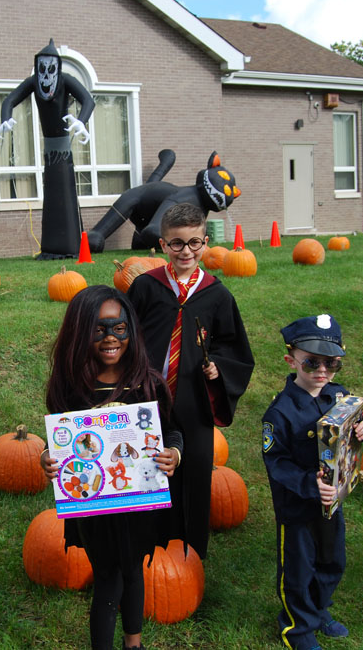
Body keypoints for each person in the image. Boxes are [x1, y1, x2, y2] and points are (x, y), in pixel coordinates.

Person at [40, 285, 181, 650]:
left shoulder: (148, 383)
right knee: (106, 574)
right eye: (98, 329)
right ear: (78, 332)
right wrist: (46, 456)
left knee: (134, 569)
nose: (110, 338)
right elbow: (58, 440)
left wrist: (175, 455)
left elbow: (173, 431)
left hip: (139, 500)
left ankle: (133, 643)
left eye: (119, 328)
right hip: (93, 505)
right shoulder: (70, 387)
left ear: (131, 330)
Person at [127, 202, 254, 559]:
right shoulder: (145, 288)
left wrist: (220, 371)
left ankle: (189, 557)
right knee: (147, 468)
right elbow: (125, 337)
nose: (187, 251)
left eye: (195, 243)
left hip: (195, 401)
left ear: (205, 242)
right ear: (164, 245)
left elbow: (235, 349)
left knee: (193, 478)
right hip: (148, 398)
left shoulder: (217, 295)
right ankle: (144, 553)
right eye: (178, 243)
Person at [261, 314, 363, 650]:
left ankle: (319, 608)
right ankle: (297, 628)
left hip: (332, 502)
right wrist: (308, 484)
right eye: (311, 362)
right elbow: (276, 462)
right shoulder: (281, 412)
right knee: (298, 568)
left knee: (331, 559)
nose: (322, 372)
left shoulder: (339, 395)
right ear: (291, 360)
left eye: (332, 364)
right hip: (298, 507)